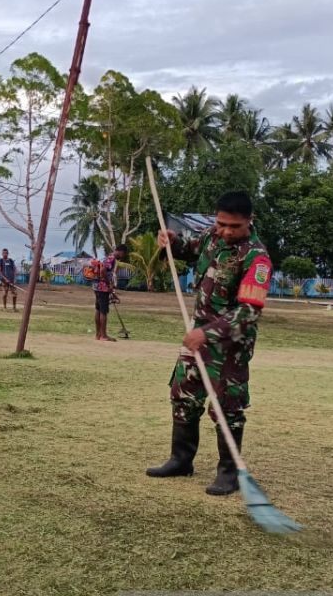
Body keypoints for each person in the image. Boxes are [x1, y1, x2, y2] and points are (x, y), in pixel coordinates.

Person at [146, 191, 271, 497]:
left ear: (249, 222)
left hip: (229, 344)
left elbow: (249, 311)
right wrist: (172, 241)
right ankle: (181, 459)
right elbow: (188, 250)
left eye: (234, 226)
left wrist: (208, 333)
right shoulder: (210, 238)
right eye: (221, 223)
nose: (226, 231)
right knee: (183, 394)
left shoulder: (257, 257)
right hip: (196, 335)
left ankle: (228, 473)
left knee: (227, 407)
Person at [91, 246, 127, 342]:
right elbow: (103, 271)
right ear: (121, 251)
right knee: (103, 311)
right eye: (123, 254)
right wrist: (109, 284)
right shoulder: (111, 258)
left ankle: (98, 334)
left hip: (96, 286)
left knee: (98, 309)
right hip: (102, 287)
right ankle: (103, 335)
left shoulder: (107, 257)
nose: (122, 257)